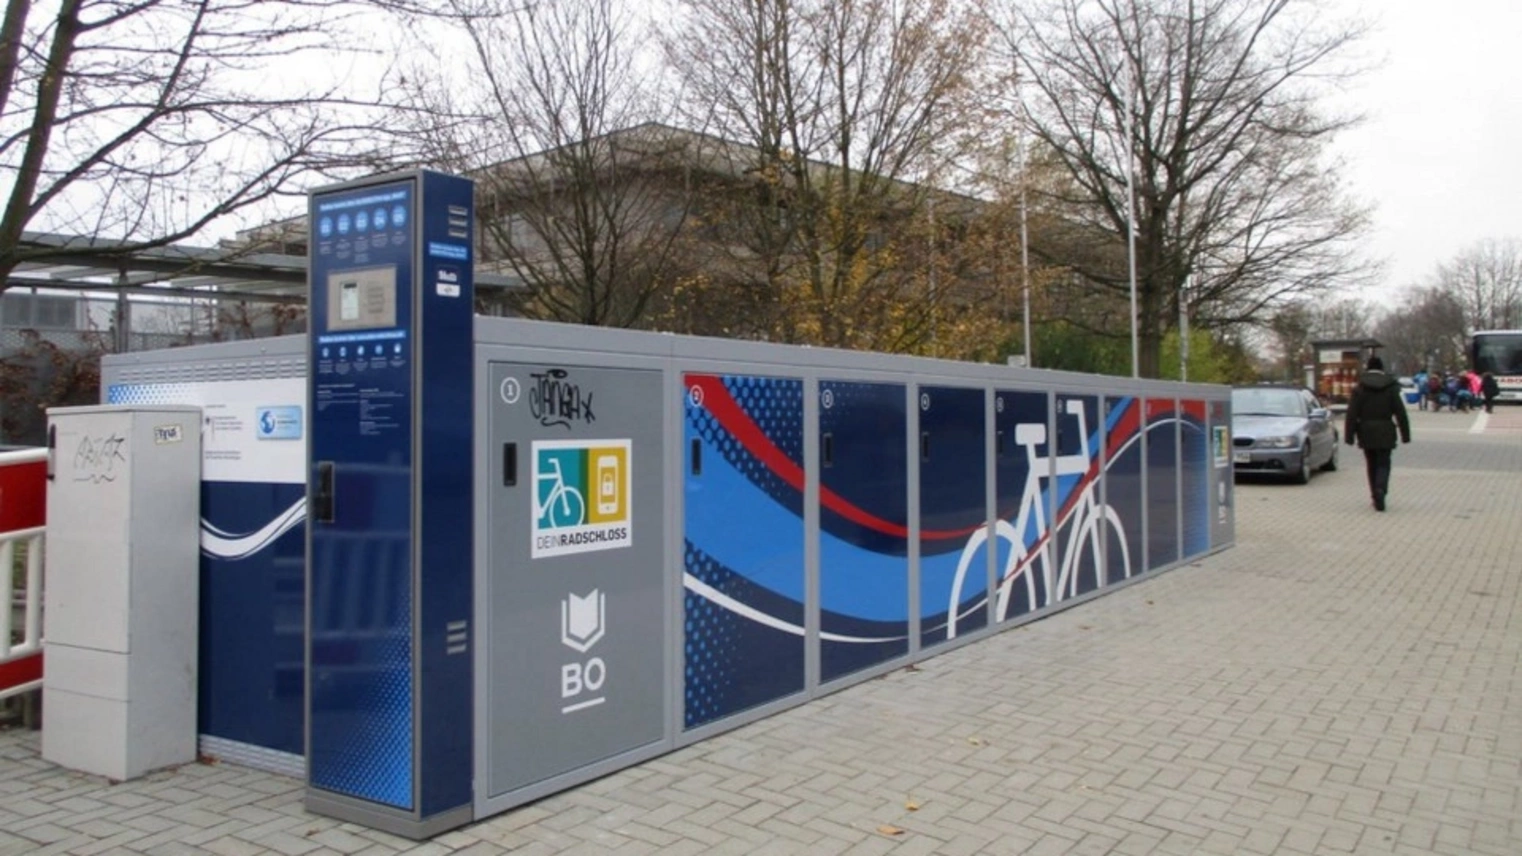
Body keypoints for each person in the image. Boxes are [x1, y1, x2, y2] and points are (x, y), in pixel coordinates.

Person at [1344, 355, 1411, 512]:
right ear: (1382, 368)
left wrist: (1349, 436)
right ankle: (1381, 489)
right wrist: (1405, 434)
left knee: (1371, 463)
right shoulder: (1391, 387)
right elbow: (1400, 413)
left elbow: (1352, 413)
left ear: (1368, 368)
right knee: (1384, 463)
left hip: (1366, 431)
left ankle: (1374, 493)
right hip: (1386, 430)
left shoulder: (1360, 387)